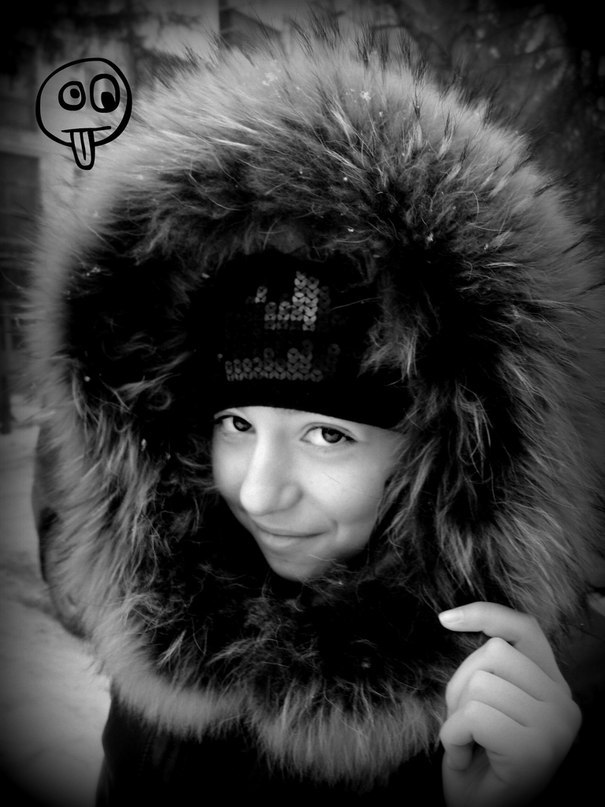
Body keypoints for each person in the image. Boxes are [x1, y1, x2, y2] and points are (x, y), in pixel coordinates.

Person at [27, 24, 604, 807]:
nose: (258, 492)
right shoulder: (177, 666)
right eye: (236, 424)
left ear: (454, 463)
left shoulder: (530, 713)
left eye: (327, 434)